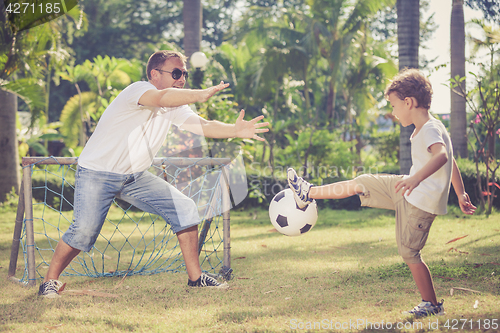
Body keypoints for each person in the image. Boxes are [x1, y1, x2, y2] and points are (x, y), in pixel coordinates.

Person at [38, 50, 269, 297]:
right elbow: (163, 97)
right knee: (83, 232)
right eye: (176, 73)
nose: (182, 78)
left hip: (134, 177)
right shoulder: (137, 90)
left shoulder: (175, 107)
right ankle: (49, 282)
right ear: (154, 74)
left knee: (185, 208)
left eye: (185, 74)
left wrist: (235, 130)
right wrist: (200, 94)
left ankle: (196, 278)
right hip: (98, 173)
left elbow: (203, 125)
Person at [287, 68, 476, 318]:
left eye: (394, 105)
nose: (393, 112)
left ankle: (431, 304)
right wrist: (460, 193)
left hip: (419, 203)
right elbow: (451, 160)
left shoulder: (430, 128)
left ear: (409, 102)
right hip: (405, 189)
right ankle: (307, 192)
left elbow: (442, 157)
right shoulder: (432, 126)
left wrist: (416, 178)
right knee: (362, 182)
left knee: (409, 253)